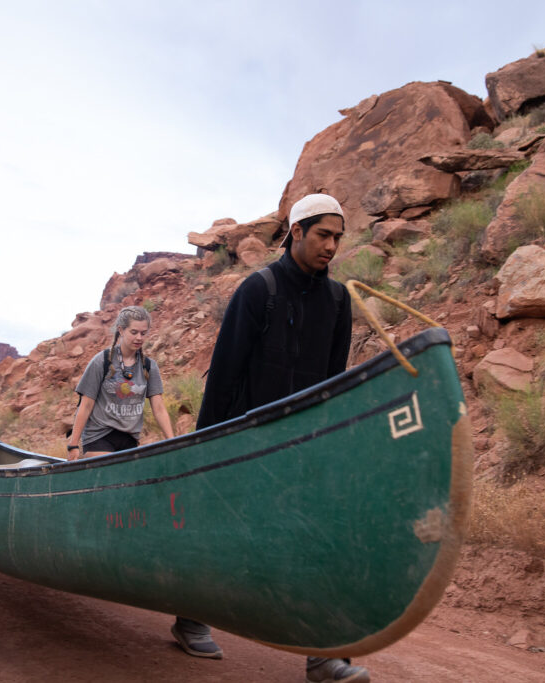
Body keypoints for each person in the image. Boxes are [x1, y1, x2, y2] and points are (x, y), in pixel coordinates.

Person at [172, 194, 368, 683]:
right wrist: (208, 444)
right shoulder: (258, 289)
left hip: (301, 444)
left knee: (316, 540)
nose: (331, 246)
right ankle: (192, 618)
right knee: (223, 533)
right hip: (243, 437)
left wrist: (324, 441)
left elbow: (331, 381)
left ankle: (322, 655)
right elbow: (224, 374)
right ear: (297, 231)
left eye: (338, 237)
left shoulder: (339, 301)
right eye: (323, 234)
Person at [65, 306, 174, 460]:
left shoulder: (149, 367)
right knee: (110, 473)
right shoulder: (101, 361)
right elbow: (86, 405)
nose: (139, 338)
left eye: (143, 333)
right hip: (99, 436)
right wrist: (73, 444)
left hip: (129, 439)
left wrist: (172, 442)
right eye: (134, 332)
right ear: (121, 330)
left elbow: (159, 408)